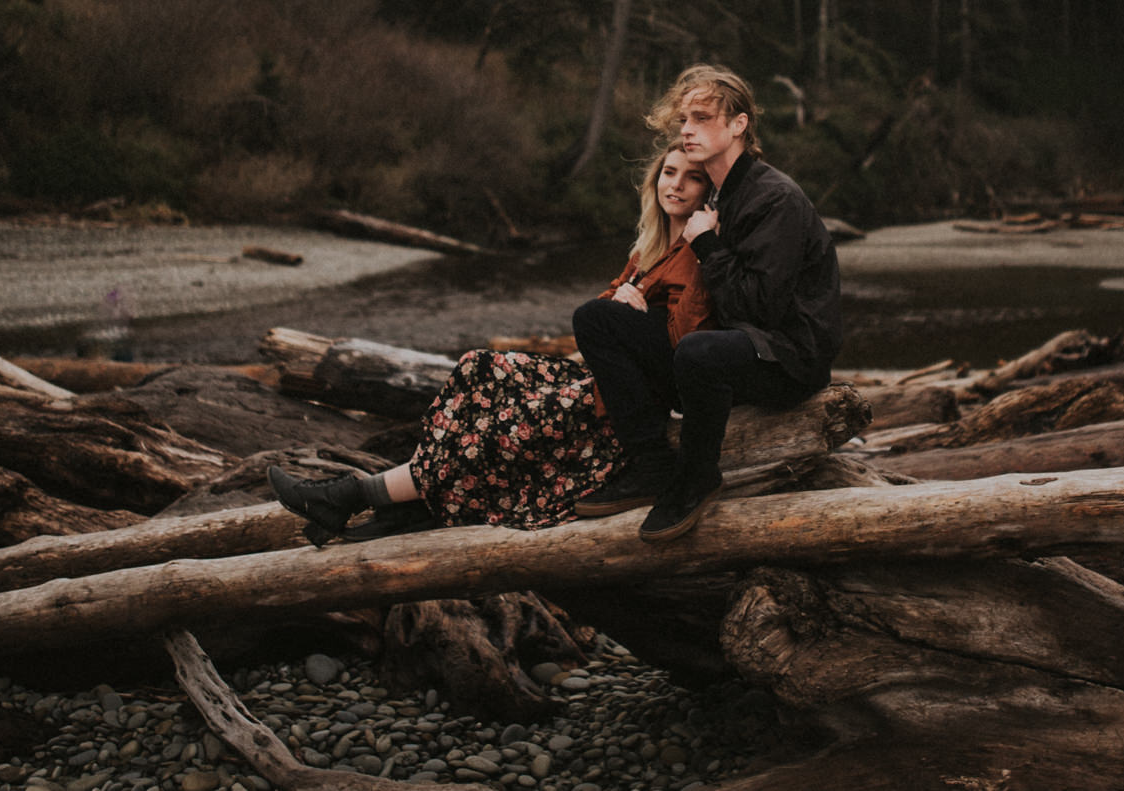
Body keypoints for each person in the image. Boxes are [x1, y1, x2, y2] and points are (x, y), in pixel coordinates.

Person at [269, 145, 714, 543]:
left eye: (692, 177)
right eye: (669, 172)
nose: (675, 185)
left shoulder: (698, 253)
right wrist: (620, 302)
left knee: (497, 426)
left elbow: (687, 336)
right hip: (601, 375)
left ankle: (355, 494)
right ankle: (399, 506)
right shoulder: (649, 248)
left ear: (707, 192)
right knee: (478, 366)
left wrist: (640, 307)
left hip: (631, 399)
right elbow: (603, 304)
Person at [571, 64, 842, 544]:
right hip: (733, 347)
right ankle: (651, 462)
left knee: (699, 351)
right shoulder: (718, 194)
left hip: (787, 359)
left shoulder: (773, 197)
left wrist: (708, 246)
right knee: (598, 319)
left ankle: (697, 476)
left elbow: (761, 308)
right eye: (683, 120)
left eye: (701, 118)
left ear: (739, 124)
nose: (687, 129)